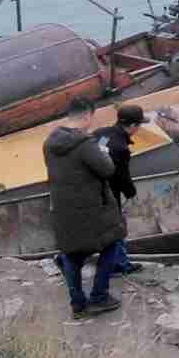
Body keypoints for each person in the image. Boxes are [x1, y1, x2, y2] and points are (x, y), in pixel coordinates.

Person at [44, 98, 124, 319]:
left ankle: (78, 304)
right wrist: (103, 152)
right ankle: (99, 297)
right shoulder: (85, 144)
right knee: (111, 244)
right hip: (91, 209)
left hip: (64, 210)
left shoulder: (50, 142)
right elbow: (107, 170)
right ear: (87, 115)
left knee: (72, 254)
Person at [95, 103, 144, 279]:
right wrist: (131, 193)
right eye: (139, 125)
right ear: (132, 125)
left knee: (105, 230)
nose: (139, 128)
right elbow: (123, 176)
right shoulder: (121, 148)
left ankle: (115, 263)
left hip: (92, 189)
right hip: (108, 195)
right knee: (118, 229)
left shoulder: (101, 134)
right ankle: (120, 265)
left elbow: (99, 155)